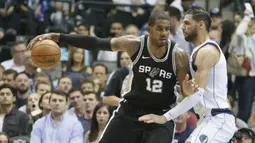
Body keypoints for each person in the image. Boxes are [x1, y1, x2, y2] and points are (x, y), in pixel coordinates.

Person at [28, 11, 192, 143]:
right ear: (148, 29)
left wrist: (187, 90)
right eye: (159, 28)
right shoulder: (134, 44)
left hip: (159, 115)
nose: (164, 33)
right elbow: (96, 42)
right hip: (130, 111)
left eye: (167, 29)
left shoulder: (178, 55)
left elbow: (185, 91)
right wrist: (58, 37)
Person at [138, 6, 237, 143]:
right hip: (206, 119)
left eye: (187, 23)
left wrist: (164, 117)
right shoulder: (197, 52)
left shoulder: (207, 51)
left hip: (218, 118)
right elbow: (192, 92)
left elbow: (198, 94)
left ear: (200, 24)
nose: (182, 27)